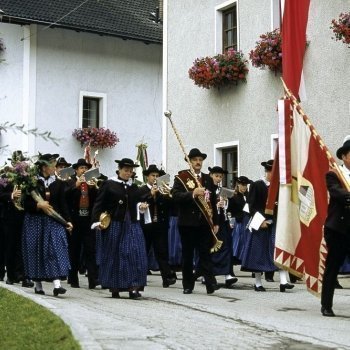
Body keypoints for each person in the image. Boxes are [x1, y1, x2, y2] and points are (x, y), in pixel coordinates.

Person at [91, 158, 148, 299]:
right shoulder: (109, 185)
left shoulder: (134, 187)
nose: (128, 173)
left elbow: (139, 201)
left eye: (130, 171)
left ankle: (133, 286)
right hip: (115, 224)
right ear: (119, 170)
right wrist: (96, 221)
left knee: (135, 253)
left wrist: (142, 206)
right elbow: (98, 204)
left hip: (132, 224)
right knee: (114, 255)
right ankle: (114, 286)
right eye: (126, 170)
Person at [22, 153, 73, 296]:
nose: (55, 167)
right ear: (44, 167)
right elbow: (25, 204)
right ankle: (38, 286)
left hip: (53, 221)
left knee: (56, 249)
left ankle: (57, 285)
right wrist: (38, 205)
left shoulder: (58, 183)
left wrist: (68, 220)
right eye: (53, 165)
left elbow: (63, 204)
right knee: (36, 251)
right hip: (35, 221)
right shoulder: (31, 182)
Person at [241, 159, 294, 292]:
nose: (273, 175)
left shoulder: (279, 187)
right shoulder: (257, 185)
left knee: (278, 251)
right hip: (260, 224)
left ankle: (283, 282)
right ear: (266, 172)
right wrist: (260, 221)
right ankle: (258, 283)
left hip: (275, 223)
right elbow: (250, 206)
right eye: (271, 172)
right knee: (258, 253)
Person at [172, 148, 219, 295]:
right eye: (195, 160)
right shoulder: (181, 177)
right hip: (187, 223)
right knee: (188, 255)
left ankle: (210, 283)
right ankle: (188, 285)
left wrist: (215, 222)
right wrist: (192, 193)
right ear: (189, 161)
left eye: (200, 160)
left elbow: (212, 201)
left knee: (205, 253)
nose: (198, 162)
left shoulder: (207, 179)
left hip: (204, 222)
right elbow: (175, 196)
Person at [320, 138, 350, 317]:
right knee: (332, 267)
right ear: (344, 157)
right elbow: (337, 193)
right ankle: (326, 305)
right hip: (338, 228)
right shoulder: (334, 174)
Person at [139, 164, 177, 288]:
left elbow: (171, 207)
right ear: (147, 177)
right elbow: (140, 201)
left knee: (162, 251)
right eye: (152, 175)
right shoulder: (142, 189)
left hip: (160, 225)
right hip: (146, 226)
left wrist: (167, 195)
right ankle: (139, 277)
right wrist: (151, 194)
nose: (155, 178)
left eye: (157, 176)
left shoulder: (162, 190)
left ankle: (167, 278)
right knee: (143, 251)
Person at [0, 151, 33, 288]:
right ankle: (11, 276)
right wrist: (11, 195)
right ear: (13, 163)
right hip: (9, 217)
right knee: (10, 246)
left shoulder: (27, 178)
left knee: (23, 247)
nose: (19, 164)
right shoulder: (5, 177)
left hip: (23, 216)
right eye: (17, 162)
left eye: (21, 161)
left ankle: (24, 276)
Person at [65, 158, 99, 289]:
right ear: (76, 170)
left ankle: (93, 280)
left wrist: (93, 188)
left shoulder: (92, 182)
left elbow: (97, 199)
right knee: (74, 251)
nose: (84, 170)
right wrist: (76, 186)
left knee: (91, 250)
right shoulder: (70, 182)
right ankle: (73, 279)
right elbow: (65, 196)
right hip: (75, 220)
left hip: (87, 221)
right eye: (81, 168)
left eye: (86, 168)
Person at [208, 166, 237, 287]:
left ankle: (228, 275)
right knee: (213, 249)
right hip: (212, 223)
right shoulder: (207, 189)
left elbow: (230, 207)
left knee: (227, 247)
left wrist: (226, 202)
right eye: (216, 176)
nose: (218, 178)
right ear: (211, 176)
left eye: (220, 176)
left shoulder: (222, 190)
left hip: (223, 222)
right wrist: (215, 204)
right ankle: (209, 275)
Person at [228, 176, 250, 274]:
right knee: (236, 244)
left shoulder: (249, 196)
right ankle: (230, 269)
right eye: (242, 185)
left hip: (248, 222)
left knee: (248, 244)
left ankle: (250, 267)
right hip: (238, 222)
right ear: (238, 184)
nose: (244, 187)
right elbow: (229, 210)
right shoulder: (233, 196)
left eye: (245, 185)